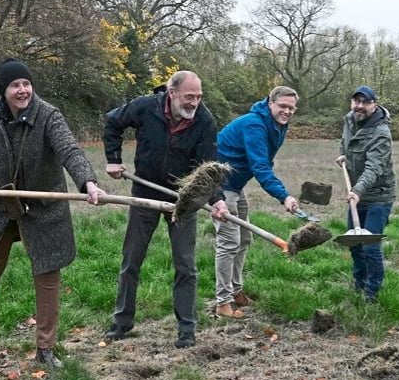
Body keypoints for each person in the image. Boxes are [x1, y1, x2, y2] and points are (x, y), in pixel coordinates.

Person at [0, 58, 103, 369]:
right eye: (15, 85)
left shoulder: (48, 116)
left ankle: (45, 349)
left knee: (47, 273)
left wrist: (88, 181)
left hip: (43, 205)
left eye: (26, 84)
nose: (22, 90)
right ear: (3, 91)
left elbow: (69, 150)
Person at [102, 70, 228, 348]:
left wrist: (216, 199)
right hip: (145, 193)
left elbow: (209, 166)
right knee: (131, 260)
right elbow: (112, 122)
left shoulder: (204, 121)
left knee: (186, 264)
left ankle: (186, 328)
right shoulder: (146, 107)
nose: (194, 102)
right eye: (189, 96)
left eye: (198, 97)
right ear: (172, 93)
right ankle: (121, 322)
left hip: (183, 200)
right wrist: (113, 159)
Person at [213, 86, 301, 318]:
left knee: (244, 239)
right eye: (282, 106)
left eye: (291, 108)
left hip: (236, 185)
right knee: (228, 243)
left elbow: (265, 163)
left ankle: (236, 291)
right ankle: (223, 303)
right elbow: (260, 166)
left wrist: (283, 194)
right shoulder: (255, 124)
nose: (287, 111)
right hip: (220, 187)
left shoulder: (278, 124)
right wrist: (284, 195)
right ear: (270, 103)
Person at [336, 85, 396, 303]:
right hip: (357, 193)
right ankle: (359, 284)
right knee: (354, 244)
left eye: (365, 102)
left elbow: (374, 167)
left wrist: (357, 191)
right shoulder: (350, 119)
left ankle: (372, 293)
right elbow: (345, 141)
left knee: (370, 246)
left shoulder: (381, 133)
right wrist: (342, 154)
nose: (359, 106)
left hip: (378, 195)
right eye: (356, 101)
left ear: (374, 105)